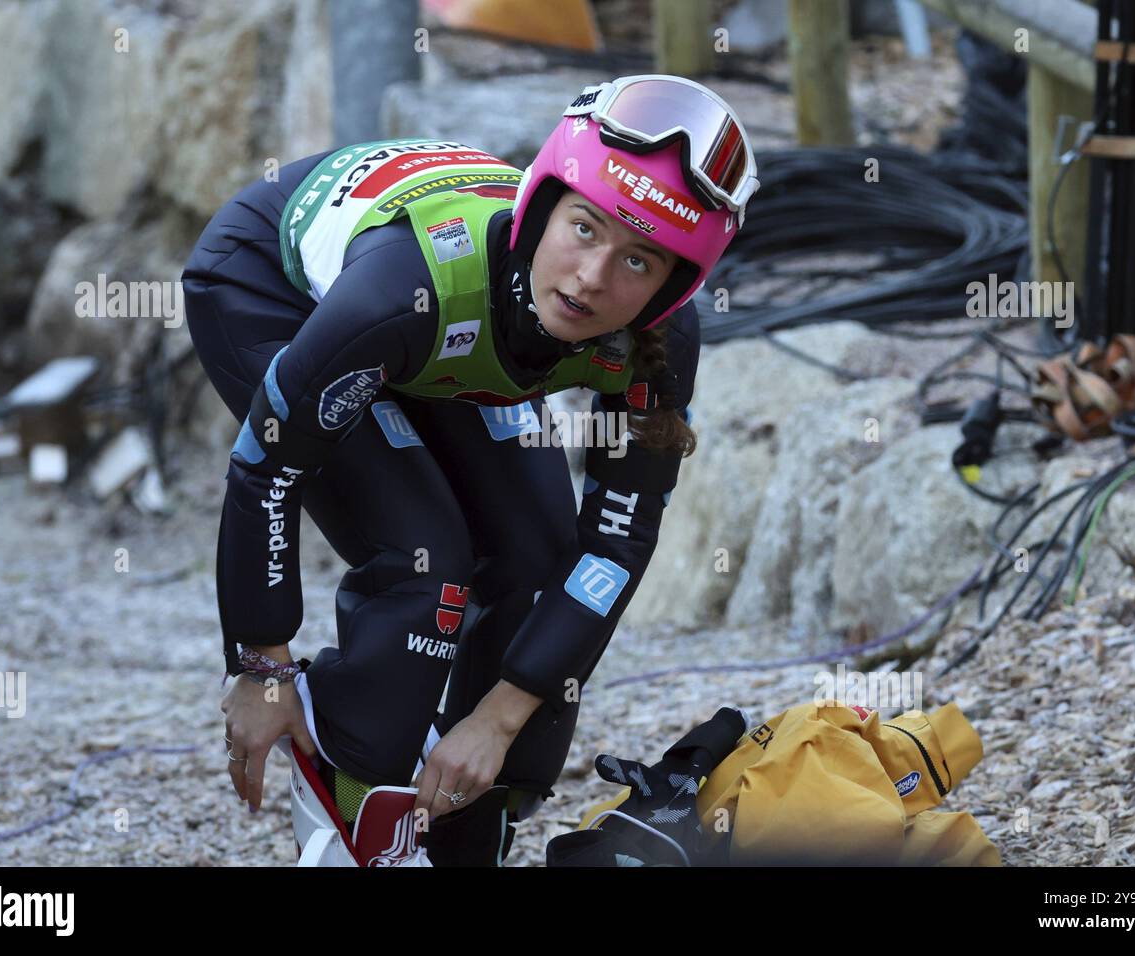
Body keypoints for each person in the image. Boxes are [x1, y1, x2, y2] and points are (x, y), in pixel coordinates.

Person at [181, 74, 759, 864]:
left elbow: (613, 548)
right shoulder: (405, 289)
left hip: (452, 331)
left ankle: (466, 817)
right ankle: (352, 789)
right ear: (542, 206)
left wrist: (500, 718)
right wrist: (260, 667)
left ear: (672, 289)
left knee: (537, 560)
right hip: (275, 285)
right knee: (427, 564)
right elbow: (265, 472)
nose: (593, 278)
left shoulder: (657, 343)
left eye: (638, 262)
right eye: (585, 229)